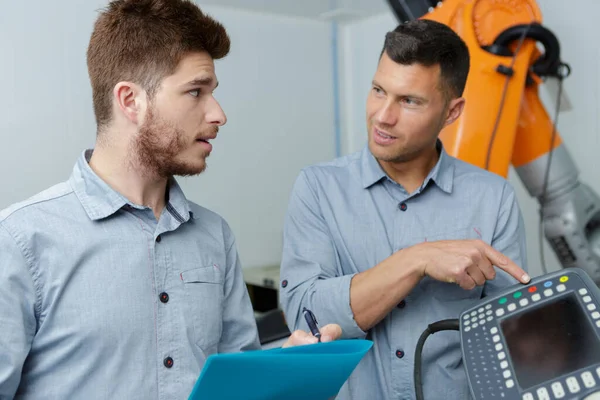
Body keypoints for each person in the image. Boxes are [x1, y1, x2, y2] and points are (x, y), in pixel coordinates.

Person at [0, 1, 341, 399]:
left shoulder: (215, 236)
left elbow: (236, 386)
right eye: (195, 91)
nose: (218, 114)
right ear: (130, 101)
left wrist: (287, 372)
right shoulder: (19, 242)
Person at [279, 19, 531, 400]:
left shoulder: (493, 199)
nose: (383, 116)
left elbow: (507, 343)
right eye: (379, 90)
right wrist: (417, 260)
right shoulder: (318, 188)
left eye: (409, 101)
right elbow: (305, 318)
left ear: (451, 111)